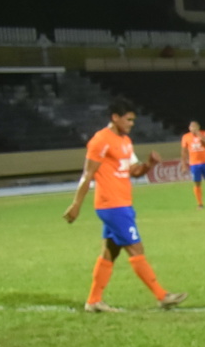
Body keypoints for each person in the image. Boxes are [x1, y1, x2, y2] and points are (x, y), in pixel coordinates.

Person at [63, 97, 187, 311]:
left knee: (110, 251)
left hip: (122, 202)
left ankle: (93, 301)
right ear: (115, 117)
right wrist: (76, 205)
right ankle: (162, 296)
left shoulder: (125, 141)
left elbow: (134, 171)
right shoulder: (100, 140)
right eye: (128, 120)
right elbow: (87, 174)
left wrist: (149, 164)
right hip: (111, 204)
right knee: (135, 247)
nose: (132, 124)